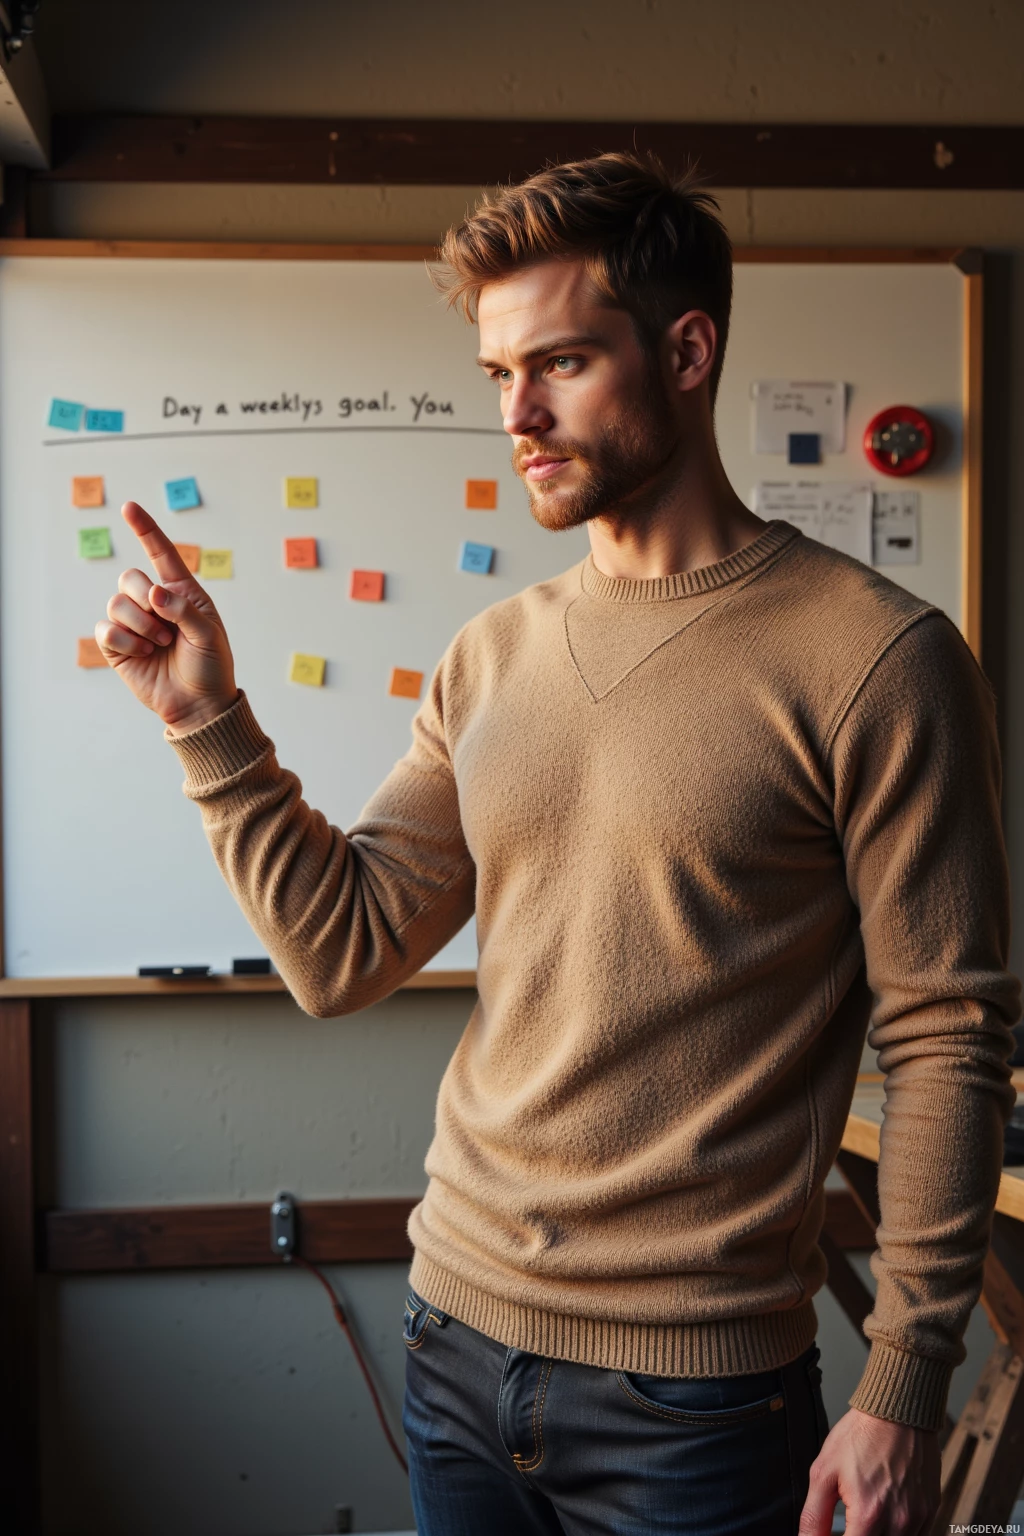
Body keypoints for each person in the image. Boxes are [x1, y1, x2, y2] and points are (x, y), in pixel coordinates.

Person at [96, 152, 1020, 1536]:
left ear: (688, 350)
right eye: (497, 375)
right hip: (453, 1348)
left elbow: (949, 1036)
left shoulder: (879, 660)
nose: (516, 415)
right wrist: (209, 720)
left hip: (697, 1404)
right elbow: (340, 954)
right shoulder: (490, 656)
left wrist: (903, 1381)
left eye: (562, 364)